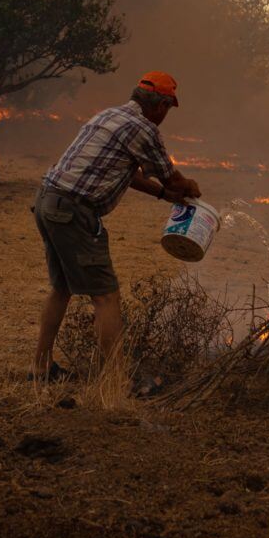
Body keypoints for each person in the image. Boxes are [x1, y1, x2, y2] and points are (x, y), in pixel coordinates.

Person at [30, 72, 202, 381]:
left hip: (48, 201)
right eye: (168, 109)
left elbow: (129, 174)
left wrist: (163, 195)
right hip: (73, 210)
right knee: (106, 296)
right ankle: (115, 380)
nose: (166, 116)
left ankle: (40, 368)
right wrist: (188, 187)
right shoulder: (144, 129)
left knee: (62, 287)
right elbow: (172, 177)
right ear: (161, 105)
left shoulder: (110, 115)